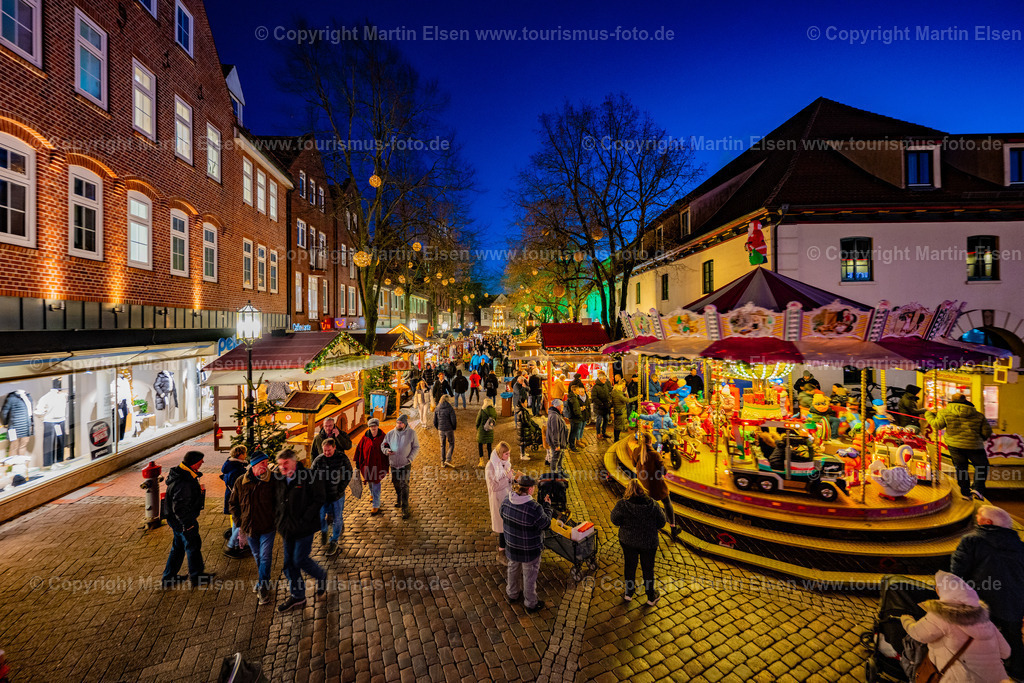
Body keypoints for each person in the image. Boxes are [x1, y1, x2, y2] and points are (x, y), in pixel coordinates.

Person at [951, 505, 1024, 680]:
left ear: (988, 522)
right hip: (1013, 602)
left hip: (982, 600)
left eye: (978, 516)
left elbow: (957, 570)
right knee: (1012, 637)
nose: (976, 517)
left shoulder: (972, 540)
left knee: (978, 638)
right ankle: (1017, 672)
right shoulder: (1020, 545)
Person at [901, 570, 1010, 683]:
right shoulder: (985, 621)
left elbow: (918, 634)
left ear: (942, 591)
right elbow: (1006, 652)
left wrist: (907, 620)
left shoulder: (939, 616)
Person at [273, 448, 328, 613]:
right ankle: (298, 596)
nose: (282, 467)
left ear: (294, 463)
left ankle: (321, 576)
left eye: (286, 464)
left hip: (304, 528)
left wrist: (305, 517)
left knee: (299, 559)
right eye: (280, 464)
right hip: (286, 528)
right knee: (289, 564)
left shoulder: (309, 476)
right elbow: (276, 500)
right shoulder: (279, 478)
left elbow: (319, 498)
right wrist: (278, 520)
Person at [229, 451, 276, 604]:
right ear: (254, 465)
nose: (266, 466)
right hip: (250, 528)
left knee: (265, 556)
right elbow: (233, 504)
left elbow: (281, 501)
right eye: (262, 463)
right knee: (258, 557)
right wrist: (239, 523)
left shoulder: (273, 480)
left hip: (268, 527)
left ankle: (263, 588)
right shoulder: (240, 482)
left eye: (266, 463)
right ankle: (265, 581)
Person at [501, 475, 553, 614]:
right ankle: (530, 603)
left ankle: (512, 594)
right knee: (529, 576)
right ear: (530, 489)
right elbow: (546, 524)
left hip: (511, 546)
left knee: (513, 568)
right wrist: (547, 506)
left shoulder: (506, 500)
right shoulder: (534, 508)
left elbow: (502, 514)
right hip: (529, 550)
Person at [926, 394, 993, 500]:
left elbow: (937, 425)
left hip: (955, 445)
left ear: (952, 400)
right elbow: (987, 431)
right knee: (981, 466)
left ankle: (965, 493)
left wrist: (928, 414)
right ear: (965, 400)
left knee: (961, 468)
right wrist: (980, 439)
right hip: (974, 445)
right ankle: (978, 489)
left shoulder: (945, 412)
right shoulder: (978, 415)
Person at [162, 450, 213, 588]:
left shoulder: (183, 473)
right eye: (201, 460)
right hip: (182, 521)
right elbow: (179, 507)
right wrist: (187, 524)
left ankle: (169, 577)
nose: (202, 462)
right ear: (194, 462)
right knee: (193, 545)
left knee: (178, 547)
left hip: (176, 520)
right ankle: (196, 577)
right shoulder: (184, 482)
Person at [611, 479, 666, 606]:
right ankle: (651, 596)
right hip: (649, 543)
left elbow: (615, 520)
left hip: (628, 541)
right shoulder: (653, 505)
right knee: (648, 569)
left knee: (630, 566)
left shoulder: (623, 505)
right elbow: (662, 522)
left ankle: (629, 593)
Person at [311, 437, 352, 556]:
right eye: (324, 450)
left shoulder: (342, 458)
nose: (326, 453)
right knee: (320, 516)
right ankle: (324, 531)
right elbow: (311, 476)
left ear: (334, 447)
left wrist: (341, 487)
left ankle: (334, 541)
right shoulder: (319, 460)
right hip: (322, 496)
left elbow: (349, 472)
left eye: (329, 450)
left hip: (337, 495)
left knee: (337, 518)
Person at [635, 435, 678, 540]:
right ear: (650, 441)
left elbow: (633, 463)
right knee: (667, 502)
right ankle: (673, 527)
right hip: (655, 485)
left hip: (642, 483)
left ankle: (645, 527)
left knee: (647, 505)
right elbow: (664, 471)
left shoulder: (636, 450)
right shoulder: (654, 454)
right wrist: (661, 459)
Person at [383, 414, 419, 518]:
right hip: (394, 464)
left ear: (405, 424)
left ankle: (405, 507)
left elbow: (416, 447)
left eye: (401, 423)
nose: (399, 424)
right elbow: (383, 445)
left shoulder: (412, 433)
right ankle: (399, 496)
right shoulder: (390, 434)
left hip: (405, 464)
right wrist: (386, 451)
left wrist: (410, 458)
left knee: (404, 485)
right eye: (397, 423)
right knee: (396, 483)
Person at [485, 441, 516, 565]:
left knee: (508, 525)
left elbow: (507, 478)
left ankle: (508, 549)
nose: (508, 456)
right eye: (506, 454)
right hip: (498, 500)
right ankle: (501, 553)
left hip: (507, 497)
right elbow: (493, 486)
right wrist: (507, 478)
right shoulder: (491, 466)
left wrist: (513, 478)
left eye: (509, 454)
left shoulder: (505, 462)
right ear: (500, 454)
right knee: (502, 527)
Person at [354, 417, 389, 515]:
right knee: (369, 480)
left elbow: (387, 449)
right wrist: (357, 463)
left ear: (378, 426)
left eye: (375, 426)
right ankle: (371, 494)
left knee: (376, 483)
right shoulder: (364, 438)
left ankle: (376, 505)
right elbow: (359, 450)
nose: (373, 428)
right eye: (371, 426)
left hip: (378, 465)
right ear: (369, 427)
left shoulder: (383, 437)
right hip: (367, 465)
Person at [221, 444, 249, 558]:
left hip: (232, 498)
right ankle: (234, 545)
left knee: (237, 521)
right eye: (245, 453)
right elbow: (238, 486)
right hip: (237, 500)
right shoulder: (237, 469)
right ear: (240, 454)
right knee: (239, 522)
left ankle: (237, 543)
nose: (246, 455)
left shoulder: (230, 465)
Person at [434, 394, 458, 468]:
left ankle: (442, 462)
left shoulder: (437, 408)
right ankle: (448, 459)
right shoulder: (450, 408)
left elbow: (435, 421)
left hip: (441, 429)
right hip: (449, 429)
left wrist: (438, 427)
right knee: (451, 443)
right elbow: (453, 420)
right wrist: (453, 427)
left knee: (442, 445)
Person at [547, 399, 569, 474]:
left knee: (561, 456)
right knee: (556, 458)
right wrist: (557, 444)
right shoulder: (554, 416)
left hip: (561, 440)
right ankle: (554, 474)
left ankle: (560, 471)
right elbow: (555, 432)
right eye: (562, 406)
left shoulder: (557, 414)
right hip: (556, 442)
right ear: (558, 407)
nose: (563, 407)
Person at [476, 397, 499, 467]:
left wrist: (478, 428)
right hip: (490, 431)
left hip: (482, 431)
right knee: (489, 447)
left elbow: (477, 421)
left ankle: (481, 461)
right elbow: (495, 420)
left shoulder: (482, 410)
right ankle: (490, 461)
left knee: (480, 445)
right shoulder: (494, 411)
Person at [591, 373, 612, 441]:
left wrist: (608, 400)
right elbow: (594, 397)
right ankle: (598, 433)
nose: (605, 380)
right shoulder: (595, 387)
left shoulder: (605, 385)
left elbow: (608, 393)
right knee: (599, 420)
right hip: (599, 407)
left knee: (606, 419)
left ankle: (604, 432)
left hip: (605, 407)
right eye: (604, 379)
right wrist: (601, 403)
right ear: (600, 379)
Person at [566, 384, 588, 451]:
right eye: (577, 390)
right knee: (573, 432)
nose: (578, 391)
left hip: (573, 417)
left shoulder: (574, 397)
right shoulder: (573, 399)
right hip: (574, 418)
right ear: (574, 390)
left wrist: (580, 408)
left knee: (573, 431)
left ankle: (571, 445)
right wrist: (579, 416)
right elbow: (575, 410)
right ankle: (572, 446)